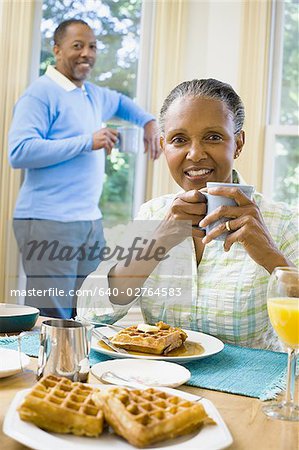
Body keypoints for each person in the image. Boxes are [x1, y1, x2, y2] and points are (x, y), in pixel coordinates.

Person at [79, 78, 298, 350]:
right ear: (164, 146)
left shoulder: (284, 223)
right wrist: (157, 241)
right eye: (179, 140)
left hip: (249, 390)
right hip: (162, 386)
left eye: (213, 137)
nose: (195, 154)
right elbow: (90, 313)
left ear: (238, 143)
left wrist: (270, 257)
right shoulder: (152, 214)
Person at [8, 18, 160, 319]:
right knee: (52, 316)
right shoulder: (40, 94)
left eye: (92, 47)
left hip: (89, 223)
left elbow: (123, 103)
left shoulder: (91, 94)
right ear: (56, 50)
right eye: (77, 46)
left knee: (90, 311)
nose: (86, 53)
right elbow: (19, 151)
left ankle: (80, 367)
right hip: (46, 220)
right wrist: (86, 141)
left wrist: (149, 122)